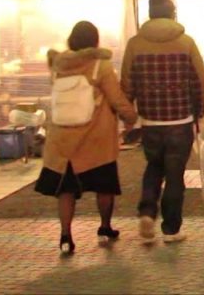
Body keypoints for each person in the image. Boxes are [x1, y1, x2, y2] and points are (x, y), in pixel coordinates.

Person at [35, 21, 138, 255]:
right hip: (95, 139)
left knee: (65, 190)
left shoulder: (57, 66)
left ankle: (65, 236)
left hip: (62, 142)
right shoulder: (100, 66)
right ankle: (105, 226)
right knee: (104, 186)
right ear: (95, 41)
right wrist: (131, 118)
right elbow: (116, 99)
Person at [121, 0, 204, 244]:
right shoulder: (186, 43)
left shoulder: (135, 44)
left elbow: (127, 82)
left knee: (154, 167)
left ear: (150, 13)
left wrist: (128, 116)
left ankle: (147, 212)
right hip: (180, 121)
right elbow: (198, 80)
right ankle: (171, 229)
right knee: (175, 175)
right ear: (172, 13)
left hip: (150, 122)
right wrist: (199, 110)